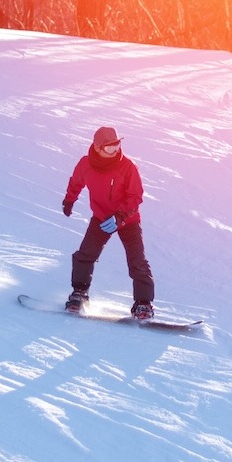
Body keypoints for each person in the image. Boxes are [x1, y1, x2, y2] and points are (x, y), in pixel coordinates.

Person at [61, 126, 155, 319]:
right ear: (97, 147)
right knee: (85, 254)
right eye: (109, 147)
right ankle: (79, 293)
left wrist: (120, 217)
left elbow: (135, 196)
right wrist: (69, 199)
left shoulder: (128, 167)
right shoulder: (85, 164)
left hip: (127, 220)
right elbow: (76, 182)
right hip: (101, 218)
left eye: (117, 145)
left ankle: (143, 304)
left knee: (137, 260)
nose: (115, 151)